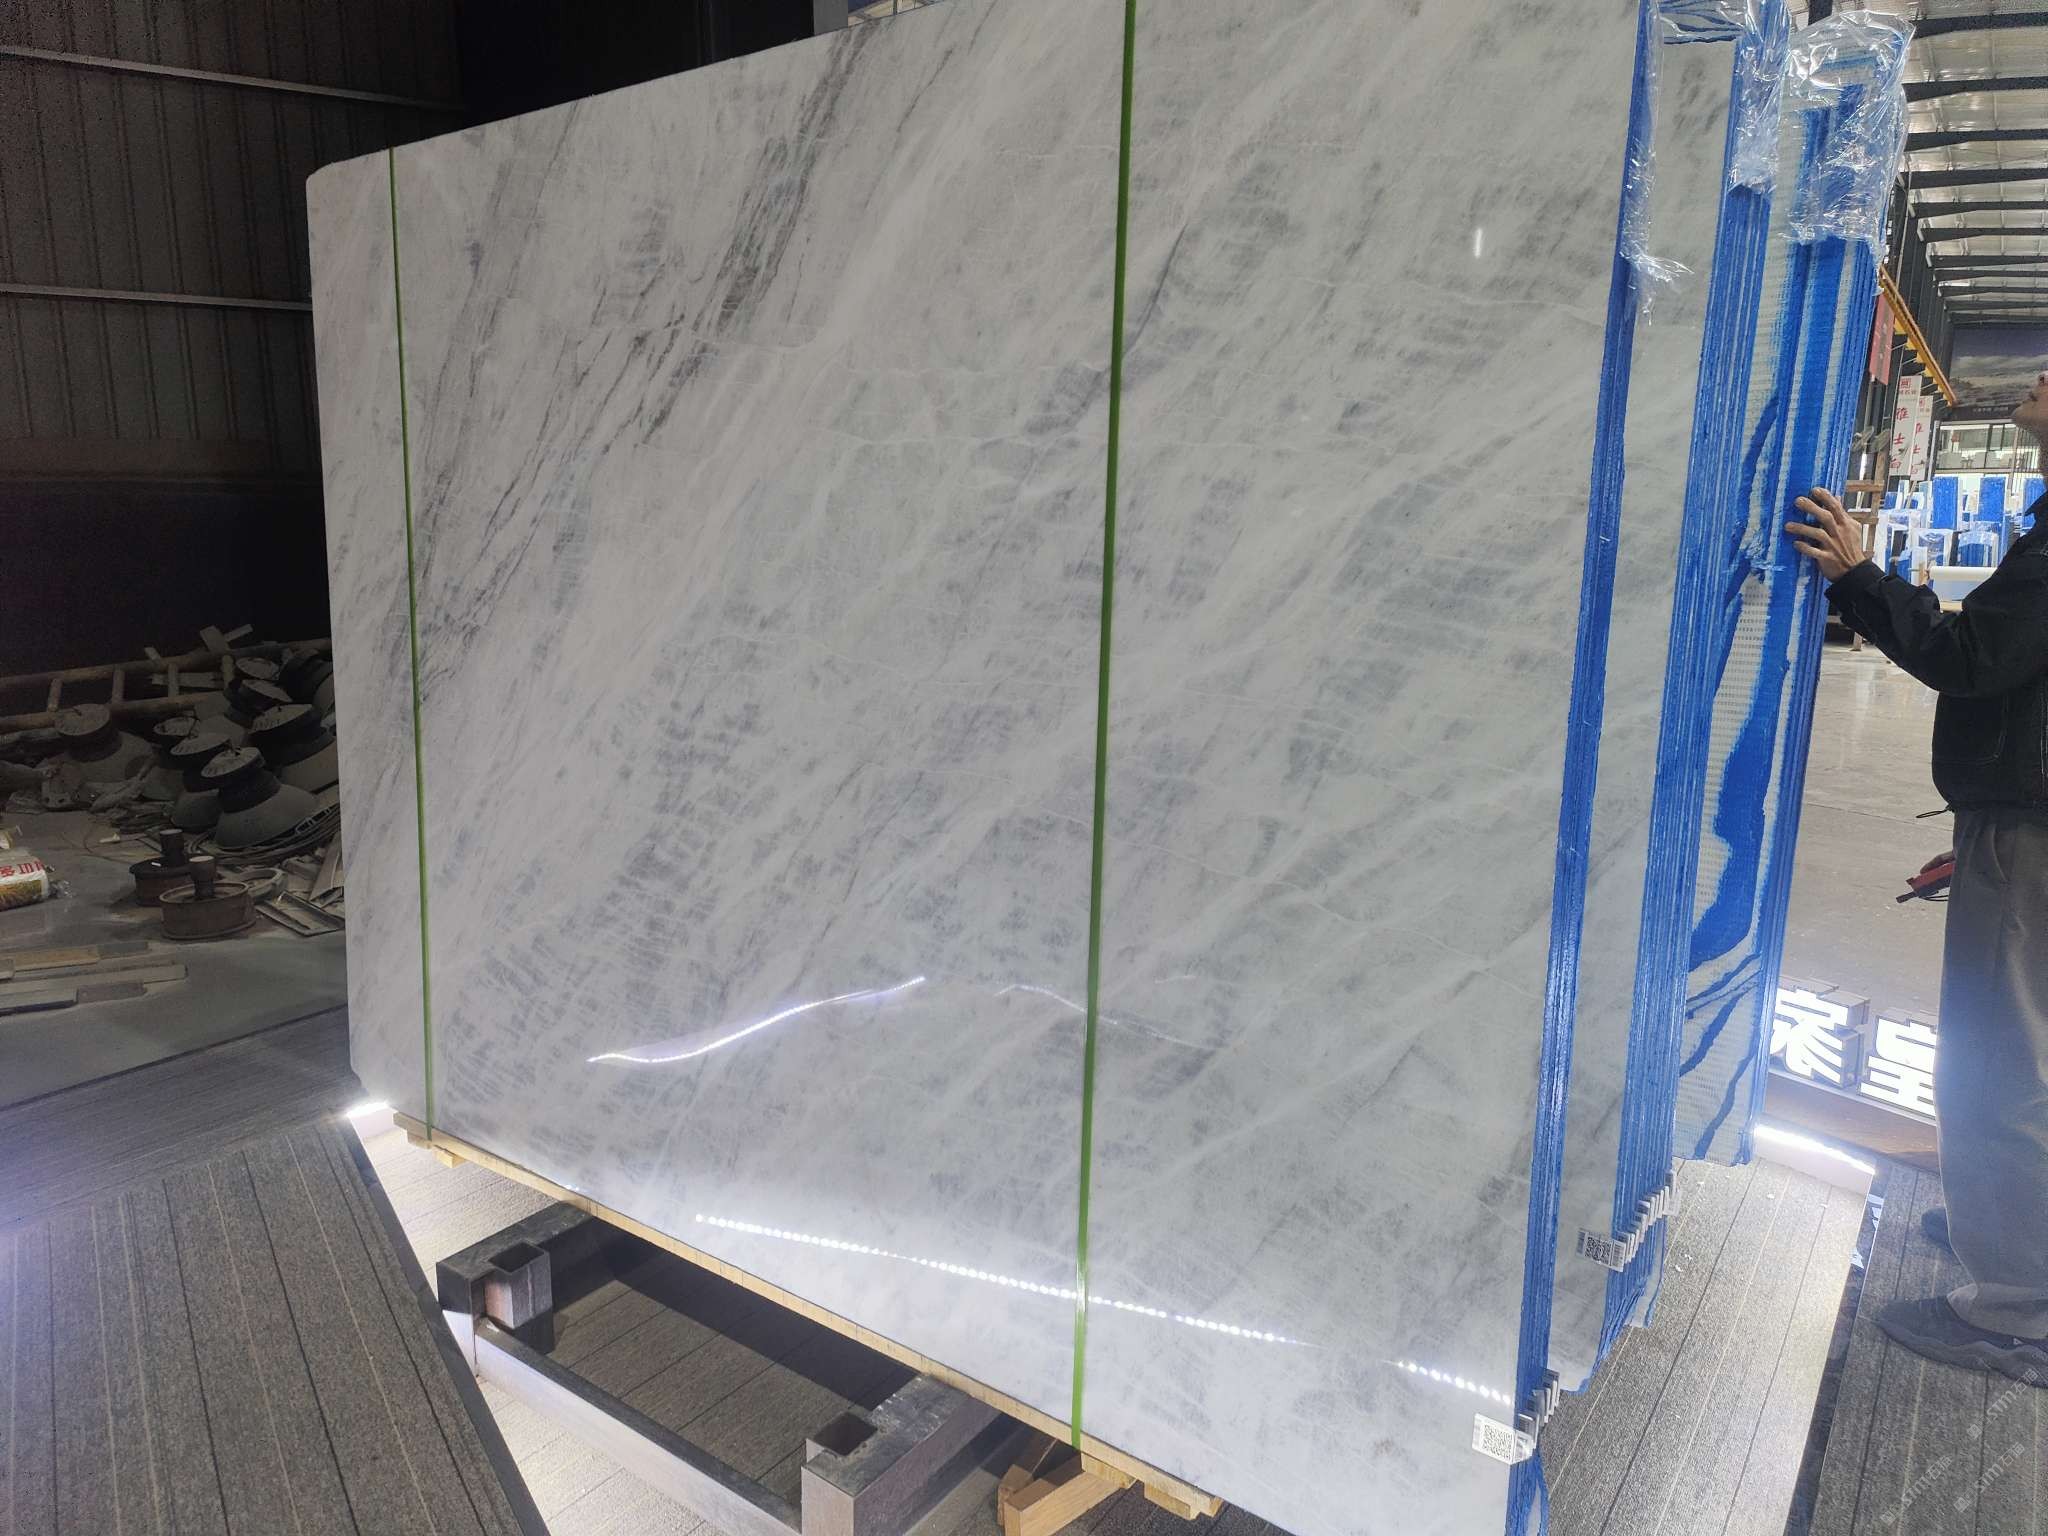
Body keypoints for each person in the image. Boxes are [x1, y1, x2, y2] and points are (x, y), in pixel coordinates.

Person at [1788, 373, 2048, 1387]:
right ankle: (2012, 1234)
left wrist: (1860, 577)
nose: (2036, 379)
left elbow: (1970, 657)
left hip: (2027, 831)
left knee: (1997, 1065)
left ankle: (2017, 1312)